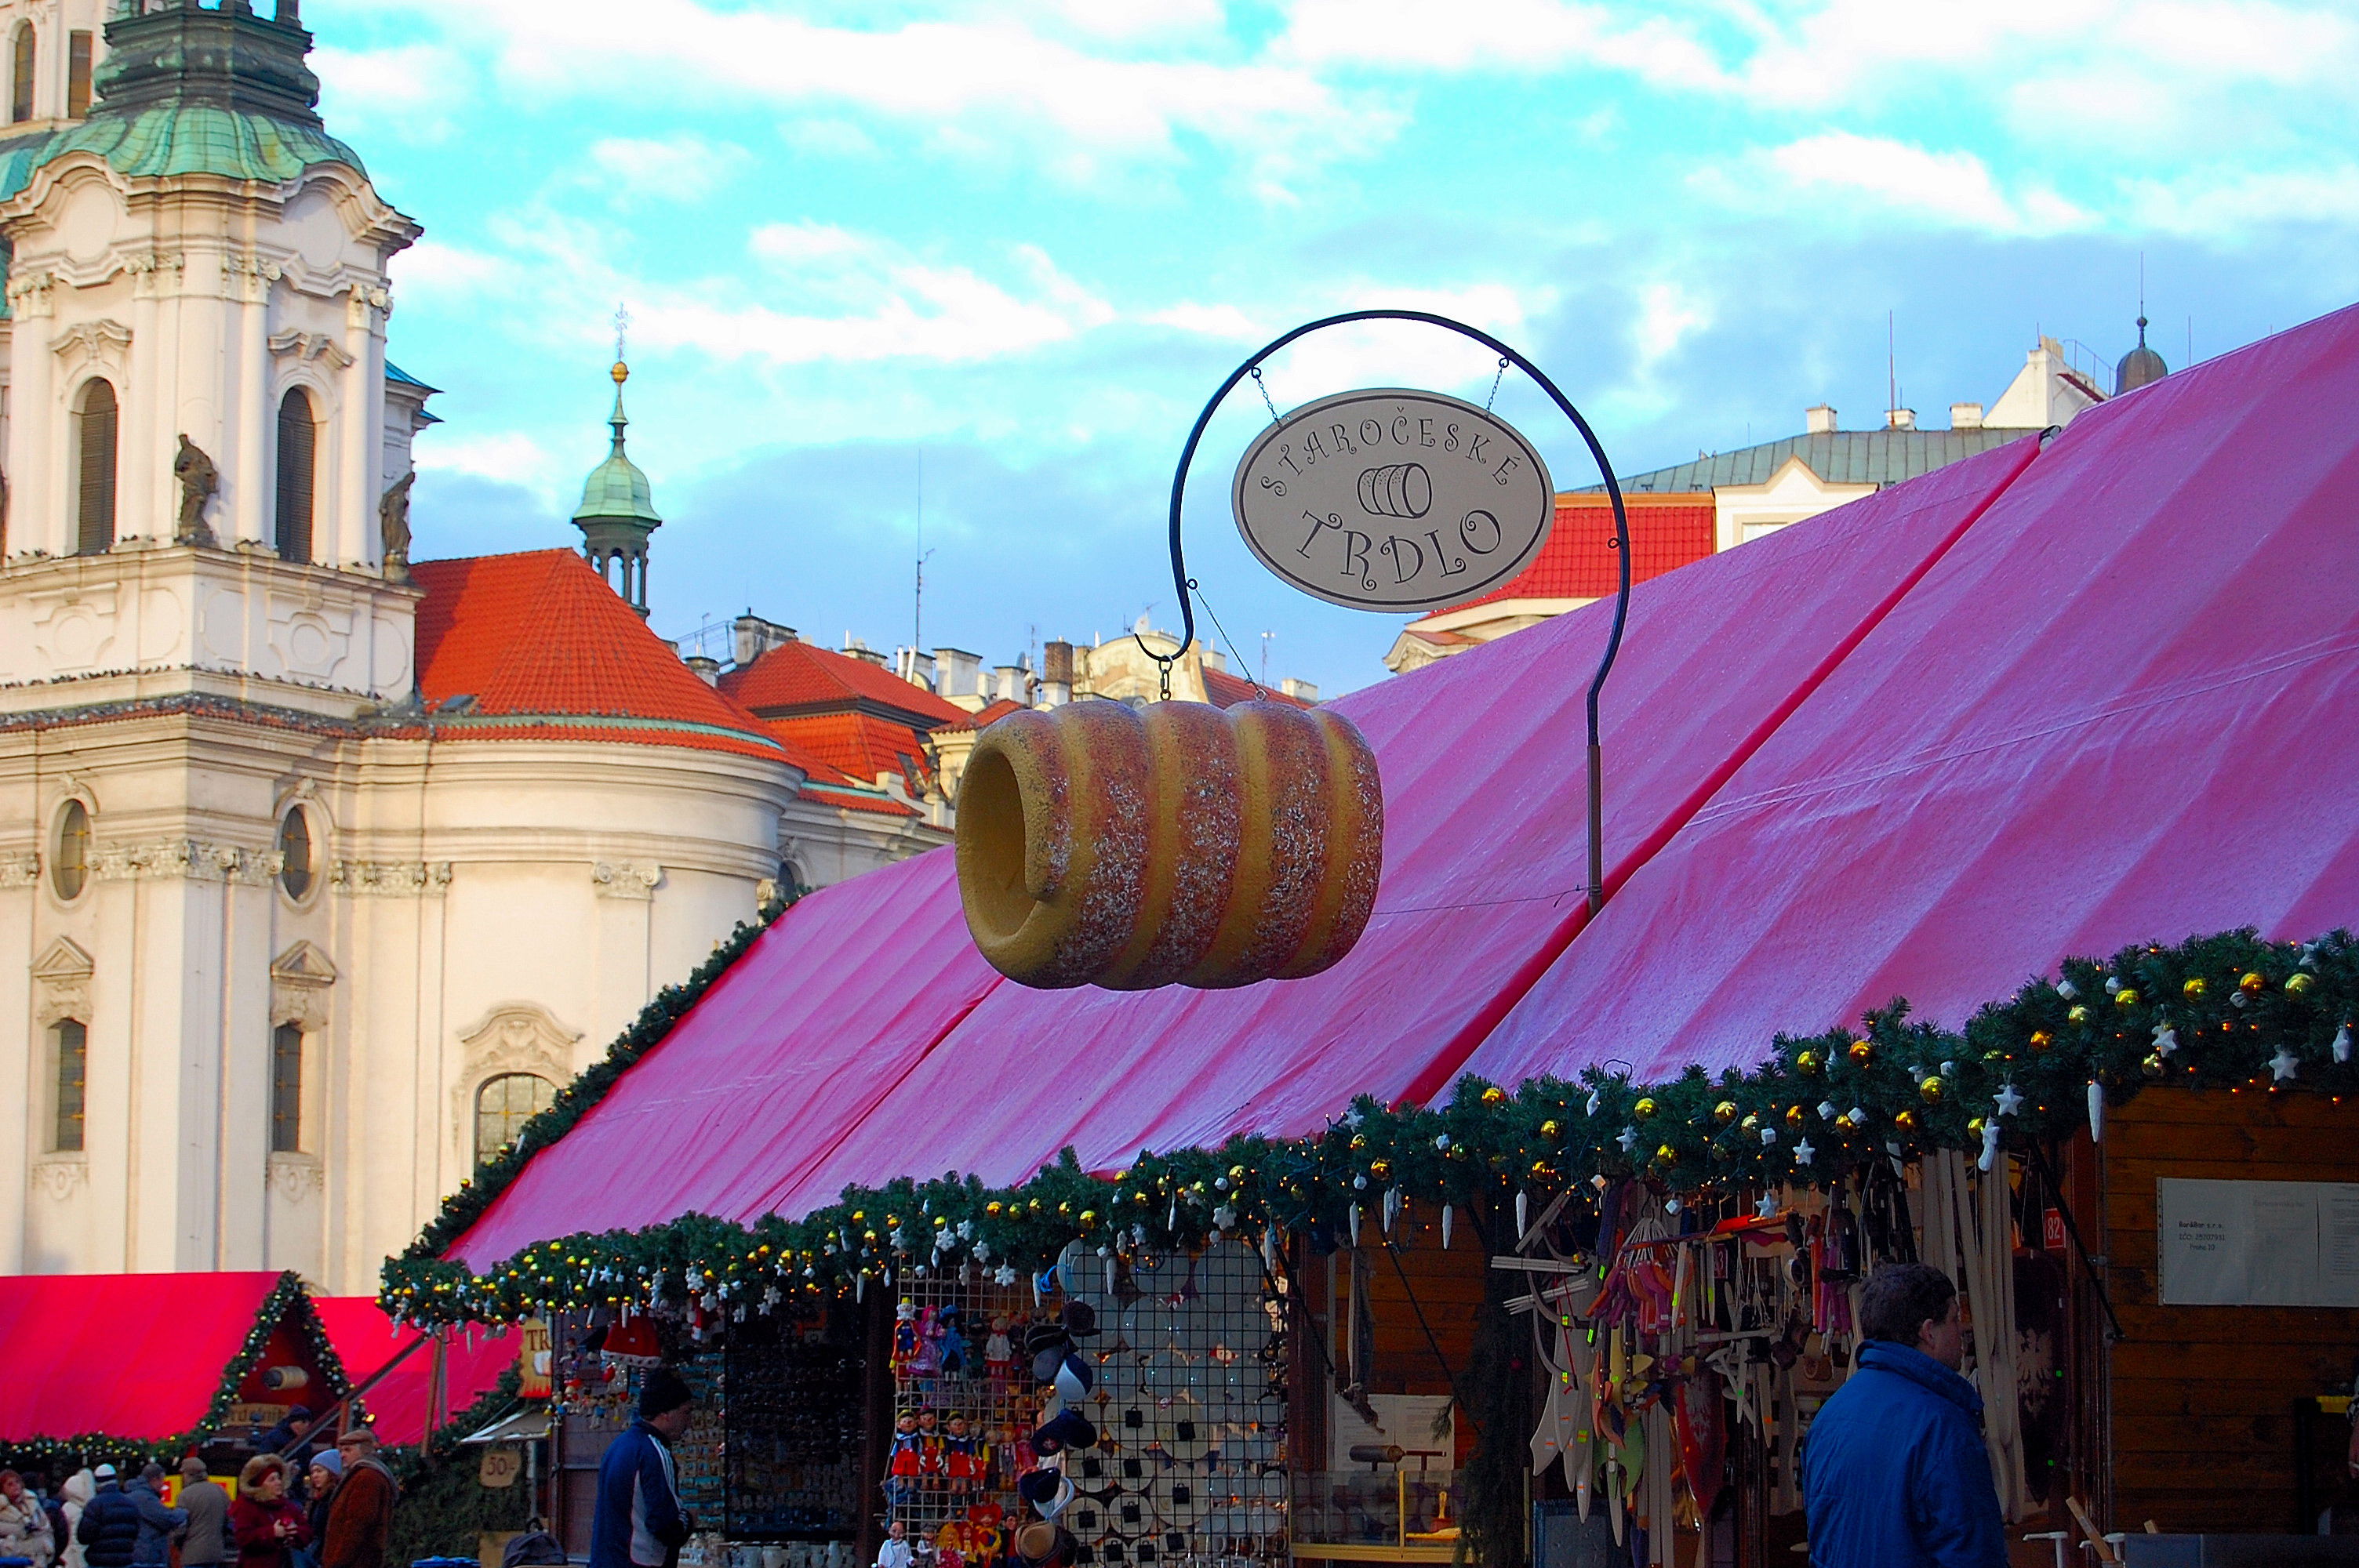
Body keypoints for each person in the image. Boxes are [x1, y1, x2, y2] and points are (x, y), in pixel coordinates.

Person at [1802, 1261, 2006, 1568]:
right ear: (1928, 1332)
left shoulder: (1830, 1418)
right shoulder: (1943, 1426)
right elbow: (1973, 1552)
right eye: (1954, 1319)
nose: (1962, 1329)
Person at [589, 1368, 693, 1568]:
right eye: (686, 1412)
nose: (688, 1422)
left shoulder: (618, 1446)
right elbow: (664, 1525)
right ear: (666, 1414)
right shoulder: (653, 1452)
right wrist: (689, 1519)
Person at [318, 1431, 391, 1568]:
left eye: (348, 1450)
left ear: (364, 1450)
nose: (342, 1455)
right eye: (341, 1450)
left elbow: (358, 1523)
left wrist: (338, 1561)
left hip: (356, 1561)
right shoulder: (361, 1475)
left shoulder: (367, 1477)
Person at [226, 1457, 307, 1568]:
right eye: (272, 1480)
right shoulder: (248, 1506)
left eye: (279, 1478)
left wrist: (294, 1533)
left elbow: (307, 1531)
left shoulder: (287, 1506)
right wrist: (272, 1533)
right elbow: (243, 1538)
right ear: (260, 1485)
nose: (278, 1482)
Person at [77, 1465, 144, 1568]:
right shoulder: (130, 1504)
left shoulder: (94, 1505)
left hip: (99, 1561)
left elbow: (83, 1537)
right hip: (125, 1561)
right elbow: (136, 1532)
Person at [126, 1465, 185, 1568]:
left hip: (140, 1552)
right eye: (162, 1480)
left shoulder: (136, 1495)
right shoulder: (145, 1498)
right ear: (154, 1479)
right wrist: (182, 1512)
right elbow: (167, 1519)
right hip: (148, 1554)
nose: (163, 1484)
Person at [175, 1460, 230, 1568]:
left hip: (192, 1554)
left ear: (189, 1474)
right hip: (215, 1552)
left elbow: (180, 1527)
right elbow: (227, 1522)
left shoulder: (185, 1495)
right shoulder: (220, 1491)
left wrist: (176, 1542)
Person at [0, 1468, 57, 1568]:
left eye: (17, 1482)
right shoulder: (1, 1510)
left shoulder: (33, 1504)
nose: (15, 1486)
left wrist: (47, 1546)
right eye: (10, 1484)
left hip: (40, 1561)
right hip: (14, 1563)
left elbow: (47, 1528)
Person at [296, 1454, 340, 1568]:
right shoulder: (316, 1500)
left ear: (331, 1473)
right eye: (313, 1472)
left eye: (319, 1471)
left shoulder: (333, 1499)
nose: (314, 1476)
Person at [57, 1469, 94, 1568]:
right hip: (72, 1559)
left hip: (65, 1556)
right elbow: (76, 1542)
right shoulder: (77, 1511)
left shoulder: (67, 1507)